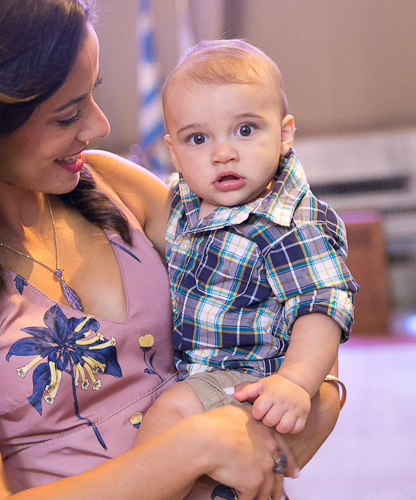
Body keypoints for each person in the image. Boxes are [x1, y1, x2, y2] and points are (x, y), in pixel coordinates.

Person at [0, 0, 343, 500]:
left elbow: (281, 289)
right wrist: (193, 449)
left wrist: (313, 396)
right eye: (67, 114)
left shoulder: (113, 188)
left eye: (92, 94)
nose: (99, 125)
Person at [135, 40, 357, 456]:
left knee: (169, 417)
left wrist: (295, 381)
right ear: (174, 153)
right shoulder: (184, 201)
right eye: (197, 138)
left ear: (284, 133)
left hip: (250, 376)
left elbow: (321, 309)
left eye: (246, 130)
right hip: (192, 366)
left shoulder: (290, 224)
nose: (223, 153)